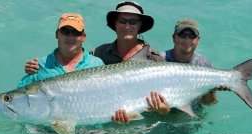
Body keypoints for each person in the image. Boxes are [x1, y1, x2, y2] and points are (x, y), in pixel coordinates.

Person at [23, 1, 171, 123]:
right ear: (115, 24)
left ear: (139, 25)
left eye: (133, 21)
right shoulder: (99, 54)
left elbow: (171, 100)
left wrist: (164, 111)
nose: (127, 26)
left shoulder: (155, 59)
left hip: (147, 122)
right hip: (115, 121)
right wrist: (34, 69)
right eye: (122, 21)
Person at [18, 13, 104, 88]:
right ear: (56, 34)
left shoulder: (96, 64)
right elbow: (20, 97)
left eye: (76, 32)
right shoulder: (40, 66)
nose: (70, 36)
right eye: (65, 31)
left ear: (83, 37)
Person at [161, 18, 230, 105]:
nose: (187, 39)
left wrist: (210, 89)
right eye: (182, 35)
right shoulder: (158, 60)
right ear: (174, 38)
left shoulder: (204, 64)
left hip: (193, 114)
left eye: (192, 36)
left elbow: (209, 104)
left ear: (198, 40)